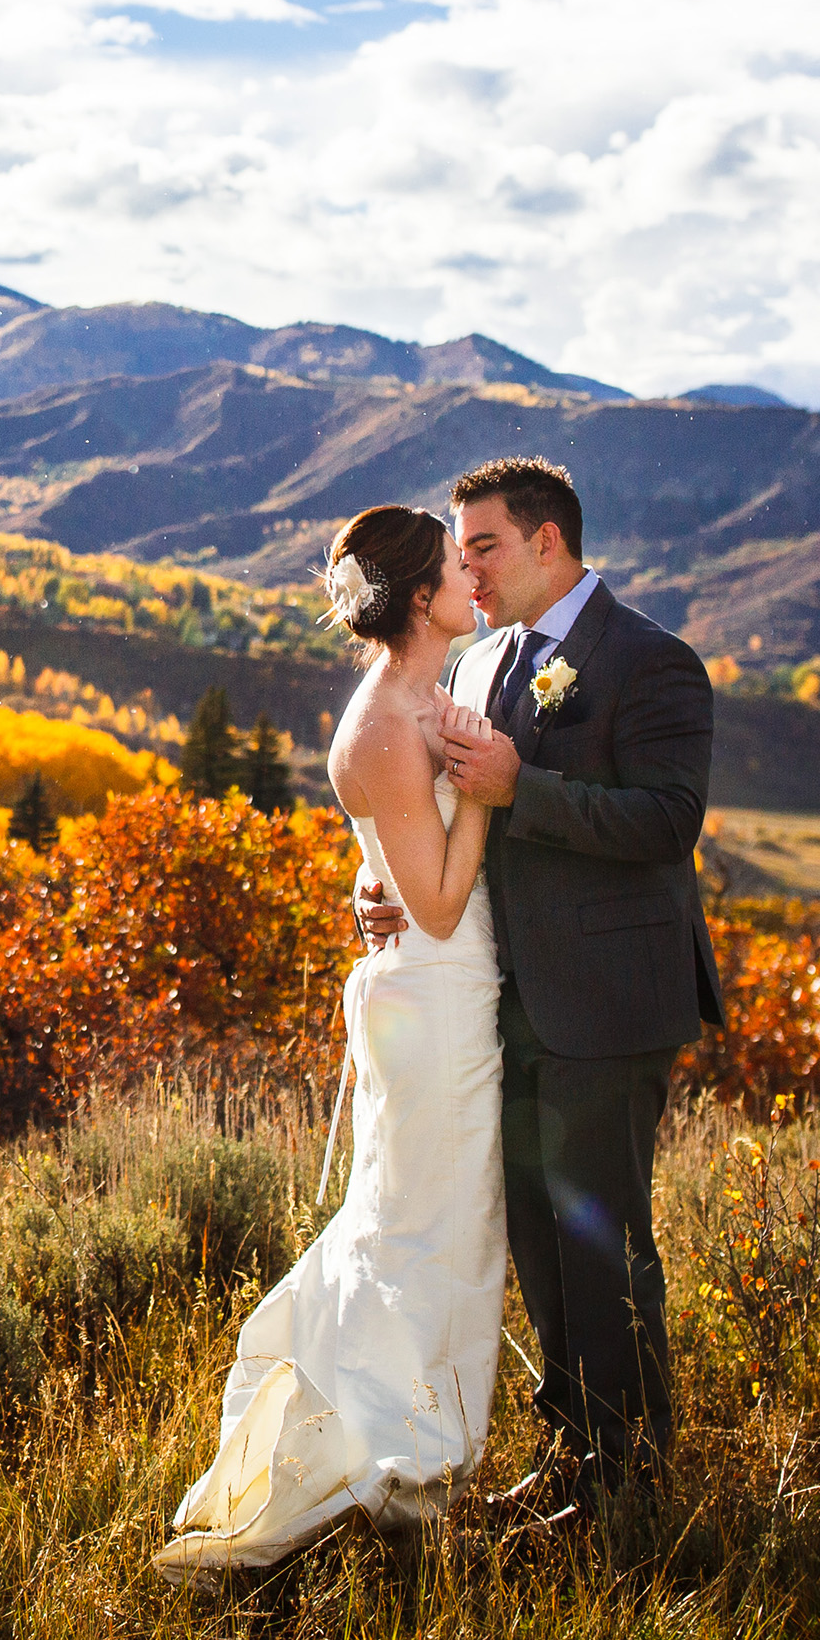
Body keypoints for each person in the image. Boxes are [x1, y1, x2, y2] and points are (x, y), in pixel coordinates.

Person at [153, 502, 509, 1572]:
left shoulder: (418, 700)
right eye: (454, 564)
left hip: (441, 994)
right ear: (416, 596)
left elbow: (396, 867)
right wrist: (487, 783)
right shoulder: (386, 723)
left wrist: (397, 859)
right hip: (437, 1001)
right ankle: (392, 1464)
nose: (469, 578)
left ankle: (396, 1449)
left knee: (425, 1230)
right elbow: (439, 902)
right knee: (427, 1239)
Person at [367, 454, 718, 1518]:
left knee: (599, 1243)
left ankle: (629, 1479)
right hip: (501, 1003)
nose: (463, 567)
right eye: (458, 550)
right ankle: (571, 1455)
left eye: (481, 545)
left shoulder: (650, 662)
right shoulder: (479, 670)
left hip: (608, 1005)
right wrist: (392, 893)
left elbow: (666, 821)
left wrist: (531, 787)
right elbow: (445, 820)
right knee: (537, 1244)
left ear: (545, 543)